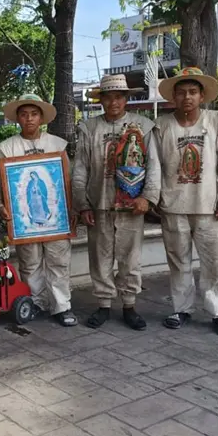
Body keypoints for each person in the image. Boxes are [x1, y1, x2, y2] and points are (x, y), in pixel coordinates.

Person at [154, 67, 218, 336]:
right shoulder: (162, 125)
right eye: (181, 93)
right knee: (178, 261)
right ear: (173, 98)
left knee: (214, 262)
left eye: (193, 92)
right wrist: (154, 197)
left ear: (202, 96)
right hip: (173, 205)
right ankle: (181, 308)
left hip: (208, 206)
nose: (187, 97)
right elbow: (154, 165)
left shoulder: (215, 121)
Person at [72, 74, 160, 330]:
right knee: (100, 258)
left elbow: (154, 166)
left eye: (119, 97)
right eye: (108, 97)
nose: (113, 103)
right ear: (101, 100)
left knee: (130, 258)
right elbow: (80, 168)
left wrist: (148, 197)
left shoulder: (143, 127)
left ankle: (130, 305)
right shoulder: (89, 129)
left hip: (132, 205)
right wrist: (82, 203)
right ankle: (103, 305)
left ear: (126, 99)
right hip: (99, 203)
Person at [0, 93, 77, 327]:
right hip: (24, 220)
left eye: (34, 114)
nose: (29, 119)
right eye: (24, 114)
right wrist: (0, 207)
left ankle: (61, 306)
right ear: (18, 118)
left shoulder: (57, 145)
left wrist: (71, 209)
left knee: (58, 261)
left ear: (41, 118)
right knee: (30, 263)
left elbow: (66, 181)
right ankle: (36, 303)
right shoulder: (7, 148)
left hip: (55, 218)